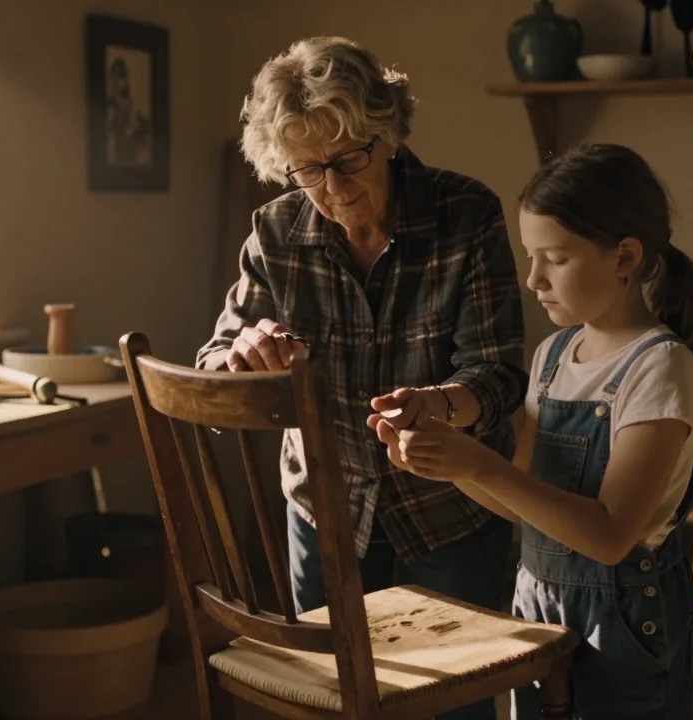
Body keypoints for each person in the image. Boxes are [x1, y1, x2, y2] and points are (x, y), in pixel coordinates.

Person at [195, 36, 526, 720]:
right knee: (335, 703)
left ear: (389, 133)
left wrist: (442, 405)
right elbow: (212, 364)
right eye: (308, 170)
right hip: (327, 509)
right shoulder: (276, 233)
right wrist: (243, 356)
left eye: (349, 159)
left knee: (455, 703)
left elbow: (498, 375)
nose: (334, 188)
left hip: (451, 508)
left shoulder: (466, 216)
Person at [373, 143, 693, 719]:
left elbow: (608, 536)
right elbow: (523, 501)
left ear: (625, 255)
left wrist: (478, 463)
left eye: (555, 258)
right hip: (539, 605)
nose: (533, 279)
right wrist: (443, 461)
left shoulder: (660, 367)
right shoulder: (555, 354)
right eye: (531, 257)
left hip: (626, 621)